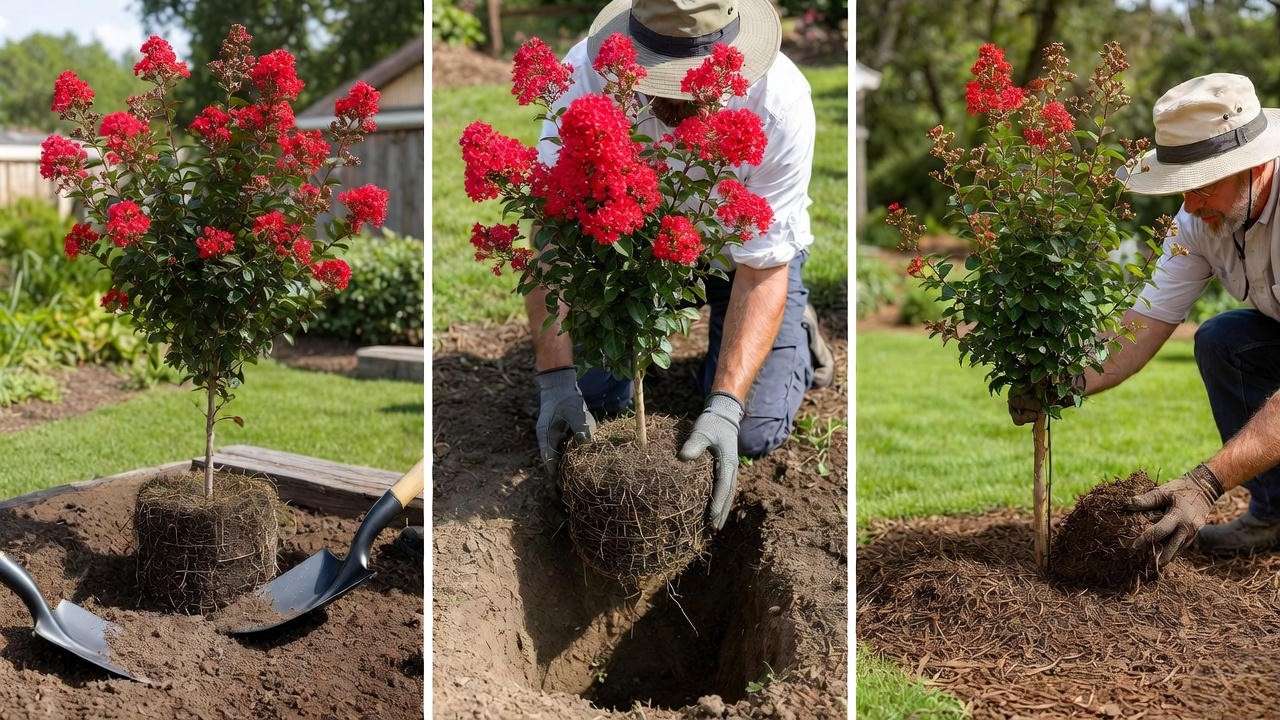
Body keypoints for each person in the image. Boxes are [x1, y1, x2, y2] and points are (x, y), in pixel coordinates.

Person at [530, 0, 834, 530]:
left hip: (742, 259)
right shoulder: (583, 77)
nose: (677, 92)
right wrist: (554, 377)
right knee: (597, 405)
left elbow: (762, 266)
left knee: (751, 432)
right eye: (662, 76)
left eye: (690, 79)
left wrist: (725, 405)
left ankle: (794, 329)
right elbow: (552, 238)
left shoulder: (780, 101)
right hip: (633, 261)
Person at [1008, 73, 1280, 566]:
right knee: (1224, 339)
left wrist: (1206, 483)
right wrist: (1065, 381)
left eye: (1204, 185)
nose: (1191, 203)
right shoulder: (1198, 221)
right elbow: (1140, 326)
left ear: (1257, 165)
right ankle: (1274, 514)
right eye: (1183, 188)